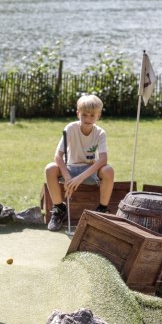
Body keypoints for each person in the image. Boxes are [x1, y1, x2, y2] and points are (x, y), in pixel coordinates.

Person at [44, 94, 114, 231]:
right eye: (84, 115)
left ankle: (102, 209)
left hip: (89, 171)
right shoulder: (70, 128)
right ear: (78, 114)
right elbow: (58, 156)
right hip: (71, 169)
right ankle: (59, 208)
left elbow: (103, 159)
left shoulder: (100, 133)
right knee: (50, 168)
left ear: (99, 115)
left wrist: (80, 178)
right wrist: (69, 178)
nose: (88, 119)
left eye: (92, 115)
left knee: (108, 170)